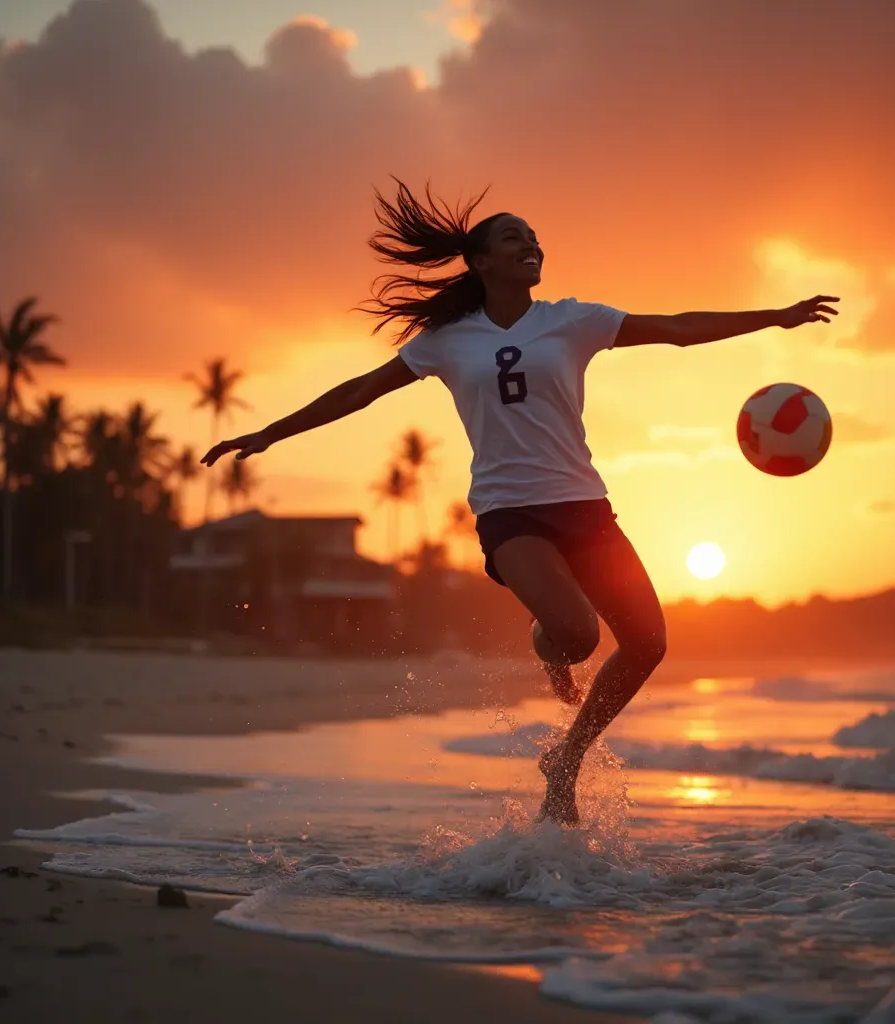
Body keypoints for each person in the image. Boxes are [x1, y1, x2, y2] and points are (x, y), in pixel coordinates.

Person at [202, 180, 839, 825]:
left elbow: (674, 328)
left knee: (647, 642)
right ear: (481, 263)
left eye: (535, 237)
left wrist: (775, 316)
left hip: (585, 507)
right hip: (510, 511)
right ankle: (548, 642)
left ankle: (566, 757)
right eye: (515, 237)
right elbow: (361, 391)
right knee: (578, 633)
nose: (532, 245)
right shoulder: (448, 340)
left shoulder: (572, 319)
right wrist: (268, 433)